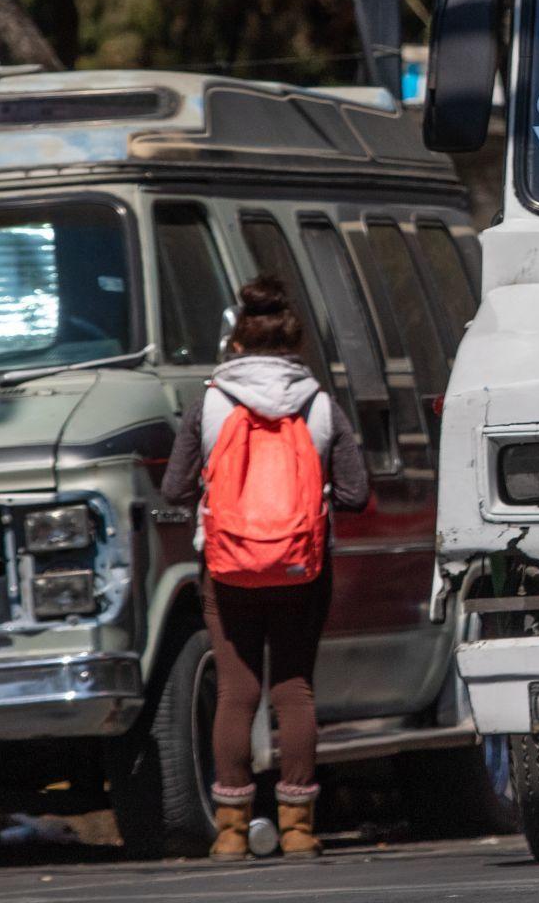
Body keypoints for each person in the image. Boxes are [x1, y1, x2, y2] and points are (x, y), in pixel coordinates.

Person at [160, 275, 369, 861]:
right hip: (304, 567)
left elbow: (176, 486)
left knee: (236, 692)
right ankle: (298, 828)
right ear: (294, 343)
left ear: (237, 344)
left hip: (227, 568)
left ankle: (230, 831)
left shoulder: (210, 402)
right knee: (294, 688)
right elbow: (355, 493)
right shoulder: (319, 404)